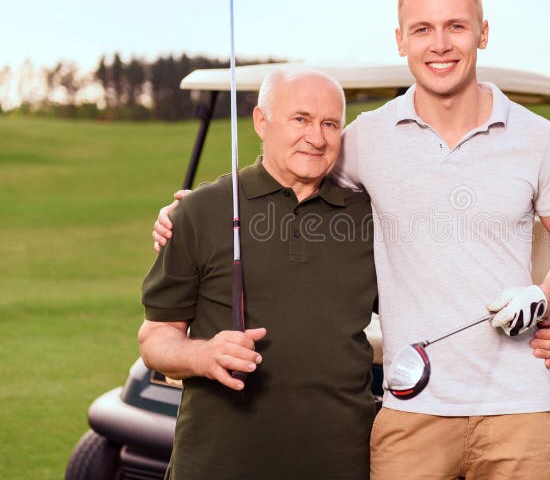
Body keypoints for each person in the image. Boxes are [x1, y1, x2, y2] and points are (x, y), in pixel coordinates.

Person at [152, 0, 550, 479]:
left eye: (456, 26)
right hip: (411, 406)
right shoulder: (364, 140)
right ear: (401, 40)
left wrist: (543, 299)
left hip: (517, 404)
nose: (440, 44)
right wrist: (193, 210)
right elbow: (291, 171)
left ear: (482, 33)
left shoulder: (538, 140)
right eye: (422, 28)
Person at [138, 69, 379, 479]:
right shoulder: (202, 210)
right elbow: (156, 338)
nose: (317, 138)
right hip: (217, 463)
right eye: (300, 119)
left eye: (330, 124)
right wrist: (202, 354)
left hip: (339, 462)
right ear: (260, 122)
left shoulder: (371, 217)